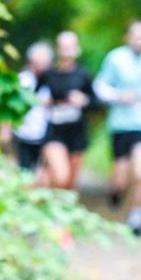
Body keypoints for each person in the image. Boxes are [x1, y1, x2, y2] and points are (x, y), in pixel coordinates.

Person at [94, 21, 141, 236]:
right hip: (121, 124)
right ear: (127, 37)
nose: (139, 40)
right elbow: (100, 86)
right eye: (136, 35)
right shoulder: (115, 58)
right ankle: (116, 191)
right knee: (121, 178)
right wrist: (118, 95)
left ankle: (137, 215)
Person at [39, 31, 98, 190]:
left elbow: (96, 103)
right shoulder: (48, 74)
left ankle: (53, 199)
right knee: (61, 176)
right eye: (63, 46)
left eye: (70, 46)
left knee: (69, 185)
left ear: (77, 49)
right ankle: (44, 182)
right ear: (57, 49)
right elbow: (32, 96)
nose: (67, 50)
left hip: (76, 133)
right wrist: (43, 101)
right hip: (54, 131)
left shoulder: (83, 74)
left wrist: (84, 100)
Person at [13, 41, 54, 173]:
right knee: (25, 170)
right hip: (23, 132)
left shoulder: (52, 80)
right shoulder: (21, 81)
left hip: (46, 133)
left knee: (42, 172)